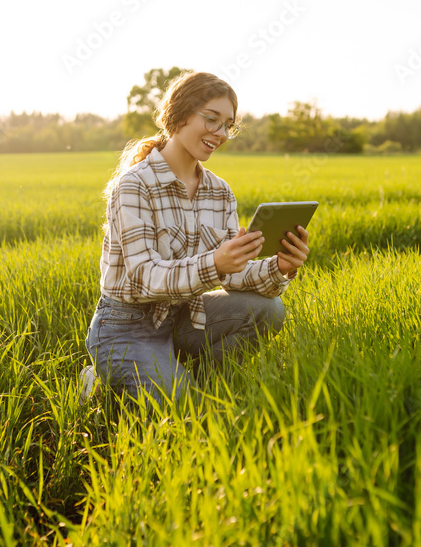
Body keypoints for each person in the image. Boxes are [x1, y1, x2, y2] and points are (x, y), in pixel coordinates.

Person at [81, 71, 310, 406]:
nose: (220, 133)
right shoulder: (133, 185)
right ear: (180, 114)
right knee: (180, 407)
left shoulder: (219, 192)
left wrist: (280, 268)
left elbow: (233, 275)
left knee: (269, 310)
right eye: (212, 119)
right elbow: (144, 277)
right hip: (126, 327)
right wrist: (215, 262)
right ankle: (103, 377)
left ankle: (185, 375)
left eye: (228, 125)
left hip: (185, 317)